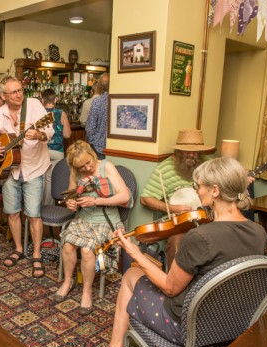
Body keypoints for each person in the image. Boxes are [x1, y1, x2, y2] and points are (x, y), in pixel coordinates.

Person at [93, 157, 267, 347]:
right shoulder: (259, 232)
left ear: (215, 191)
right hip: (235, 325)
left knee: (130, 275)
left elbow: (169, 287)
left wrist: (134, 252)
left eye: (199, 186)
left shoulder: (200, 237)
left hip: (189, 328)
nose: (197, 191)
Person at [0, 76, 53, 278]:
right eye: (14, 92)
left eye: (20, 90)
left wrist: (40, 135)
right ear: (4, 96)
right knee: (12, 212)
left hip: (34, 168)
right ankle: (19, 248)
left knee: (33, 214)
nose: (19, 94)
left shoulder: (34, 105)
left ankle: (36, 253)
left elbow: (50, 130)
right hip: (10, 171)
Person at [54, 141, 130, 315]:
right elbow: (71, 194)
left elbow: (124, 196)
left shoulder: (107, 167)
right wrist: (71, 203)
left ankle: (86, 292)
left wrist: (95, 201)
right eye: (81, 167)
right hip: (84, 218)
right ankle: (67, 281)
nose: (86, 168)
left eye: (88, 163)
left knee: (88, 250)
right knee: (67, 244)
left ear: (92, 154)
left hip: (106, 220)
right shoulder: (76, 171)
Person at [140, 128, 213, 268]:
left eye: (196, 152)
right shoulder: (164, 169)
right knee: (175, 242)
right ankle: (174, 283)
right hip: (179, 224)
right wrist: (173, 208)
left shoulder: (208, 165)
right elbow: (145, 198)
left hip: (207, 218)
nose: (192, 155)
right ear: (178, 151)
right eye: (187, 151)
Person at [41, 88, 71, 205]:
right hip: (57, 151)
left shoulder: (39, 113)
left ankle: (38, 210)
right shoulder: (61, 113)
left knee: (41, 179)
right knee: (50, 180)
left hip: (43, 150)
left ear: (42, 99)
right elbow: (67, 135)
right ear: (56, 99)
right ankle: (48, 207)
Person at [85, 73, 110, 159]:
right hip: (114, 147)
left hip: (98, 146)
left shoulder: (98, 101)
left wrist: (92, 141)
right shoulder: (117, 101)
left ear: (99, 85)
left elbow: (90, 127)